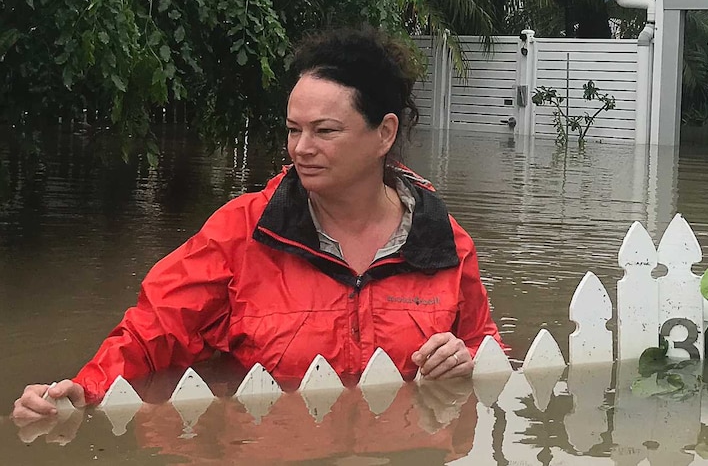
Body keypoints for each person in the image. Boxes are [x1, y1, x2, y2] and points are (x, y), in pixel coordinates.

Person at [12, 27, 504, 422]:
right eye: (294, 130)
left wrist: (466, 361)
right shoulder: (239, 233)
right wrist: (84, 390)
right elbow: (151, 333)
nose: (301, 148)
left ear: (385, 133)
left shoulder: (443, 241)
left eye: (325, 131)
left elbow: (487, 346)